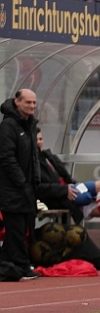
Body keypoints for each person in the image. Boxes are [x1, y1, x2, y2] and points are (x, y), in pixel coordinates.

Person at [35, 131, 100, 266]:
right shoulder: (32, 162)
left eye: (41, 139)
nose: (39, 142)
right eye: (36, 139)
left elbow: (66, 177)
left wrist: (73, 185)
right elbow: (38, 188)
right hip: (63, 196)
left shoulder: (48, 155)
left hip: (73, 190)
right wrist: (64, 190)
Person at [0, 90, 42, 282]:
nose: (32, 106)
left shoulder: (30, 125)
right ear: (17, 102)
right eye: (28, 102)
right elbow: (6, 158)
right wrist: (21, 181)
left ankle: (10, 264)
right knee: (16, 229)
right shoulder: (8, 126)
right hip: (12, 189)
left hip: (28, 188)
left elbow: (33, 157)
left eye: (34, 103)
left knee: (24, 227)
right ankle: (21, 265)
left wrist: (34, 182)